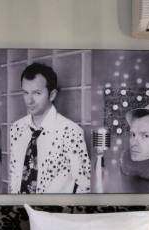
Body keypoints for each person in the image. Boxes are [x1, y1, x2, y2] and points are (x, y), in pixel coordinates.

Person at [9, 63, 90, 194]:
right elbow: (14, 175)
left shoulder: (71, 131)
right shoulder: (16, 128)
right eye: (25, 93)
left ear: (52, 95)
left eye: (37, 93)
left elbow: (84, 184)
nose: (29, 100)